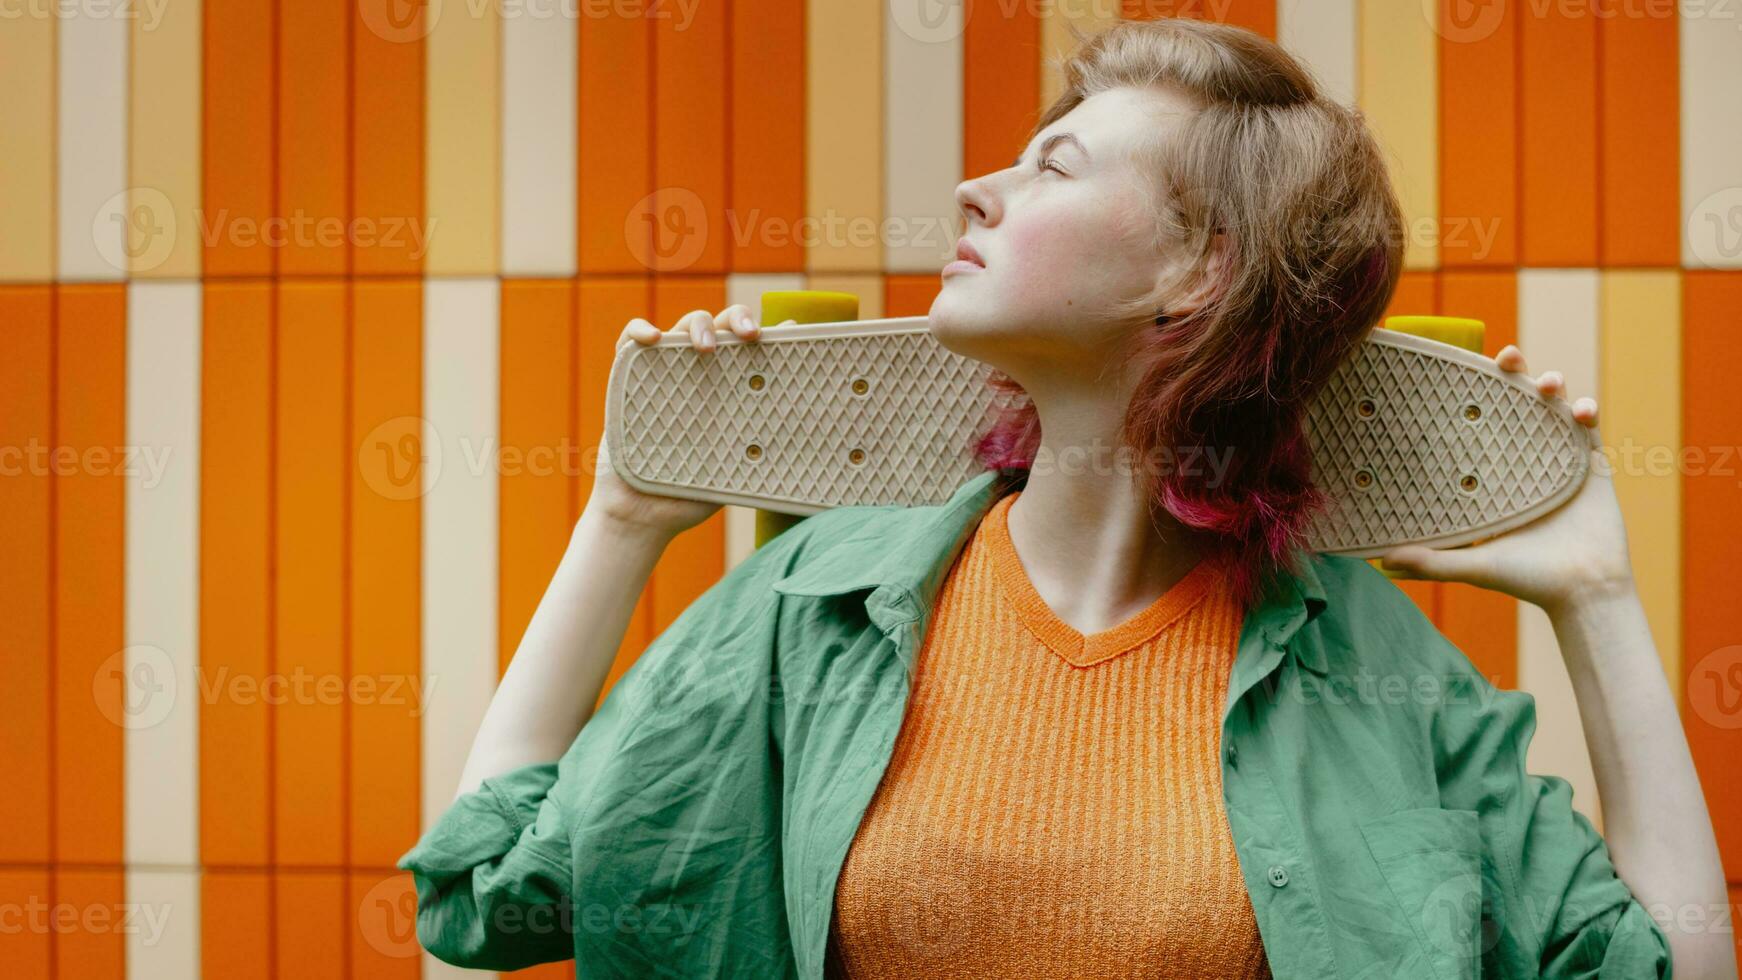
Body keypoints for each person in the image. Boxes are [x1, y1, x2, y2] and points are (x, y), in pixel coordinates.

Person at [399, 17, 1730, 978]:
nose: (975, 186)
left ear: (1198, 271)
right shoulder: (807, 612)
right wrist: (624, 520)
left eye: (1052, 167)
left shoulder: (1374, 673)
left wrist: (1596, 601)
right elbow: (481, 901)